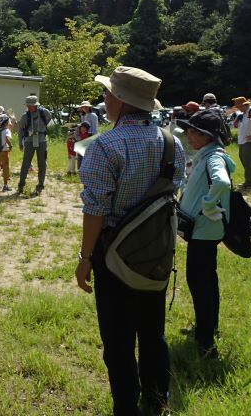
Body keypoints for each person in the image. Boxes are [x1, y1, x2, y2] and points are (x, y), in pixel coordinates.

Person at [75, 66, 185, 416]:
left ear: (120, 101)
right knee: (154, 332)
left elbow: (95, 209)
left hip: (113, 254)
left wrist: (85, 256)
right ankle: (157, 399)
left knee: (118, 340)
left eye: (107, 94)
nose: (103, 100)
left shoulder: (105, 145)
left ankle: (126, 405)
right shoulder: (172, 142)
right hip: (156, 249)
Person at [176, 110, 236, 361]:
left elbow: (222, 182)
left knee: (199, 283)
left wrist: (209, 205)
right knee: (207, 281)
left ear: (207, 136)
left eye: (193, 132)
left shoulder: (214, 157)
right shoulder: (206, 155)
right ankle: (208, 327)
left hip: (204, 231)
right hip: (203, 230)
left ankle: (206, 343)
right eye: (188, 131)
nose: (189, 136)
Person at [17, 95, 51, 195]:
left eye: (31, 105)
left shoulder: (44, 112)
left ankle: (41, 185)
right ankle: (21, 185)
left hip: (42, 141)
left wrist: (42, 128)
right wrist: (20, 143)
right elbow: (20, 130)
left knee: (42, 164)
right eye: (28, 105)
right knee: (26, 163)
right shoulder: (25, 116)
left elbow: (48, 118)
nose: (29, 107)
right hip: (29, 141)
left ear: (36, 105)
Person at [231, 96, 251, 192]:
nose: (238, 109)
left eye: (239, 107)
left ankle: (250, 184)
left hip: (250, 141)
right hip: (243, 140)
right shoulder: (243, 114)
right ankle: (247, 181)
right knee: (244, 160)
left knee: (248, 162)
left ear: (245, 105)